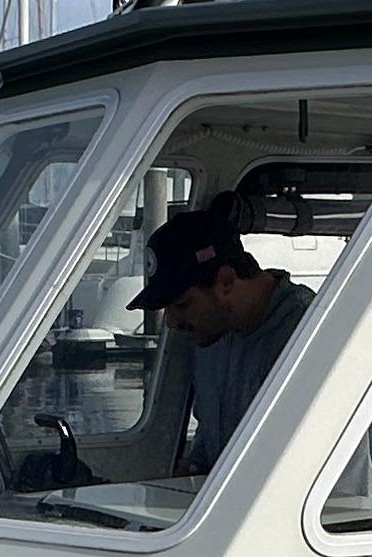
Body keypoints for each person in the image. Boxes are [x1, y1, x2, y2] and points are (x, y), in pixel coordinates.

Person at [130, 193, 329, 479]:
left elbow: (301, 470)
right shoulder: (212, 332)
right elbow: (213, 442)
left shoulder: (307, 337)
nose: (172, 322)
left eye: (182, 304)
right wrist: (195, 466)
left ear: (225, 281)